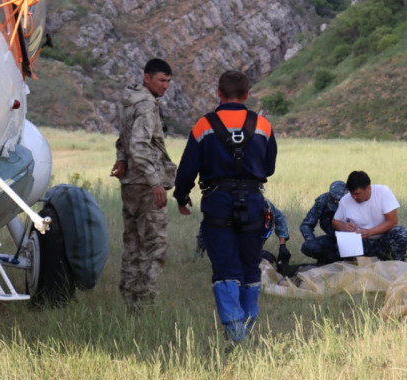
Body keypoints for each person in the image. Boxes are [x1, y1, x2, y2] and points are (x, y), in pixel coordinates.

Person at [174, 70, 277, 342]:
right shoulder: (263, 125)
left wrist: (182, 197)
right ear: (247, 94)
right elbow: (269, 167)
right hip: (254, 203)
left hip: (217, 203)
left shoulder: (203, 126)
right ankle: (248, 324)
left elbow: (186, 170)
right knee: (250, 266)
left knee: (225, 268)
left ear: (219, 93)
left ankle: (235, 331)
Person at [110, 58, 177, 313]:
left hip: (130, 183)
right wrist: (155, 182)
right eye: (161, 80)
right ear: (146, 78)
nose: (165, 86)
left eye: (169, 81)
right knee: (155, 245)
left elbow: (123, 140)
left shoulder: (130, 102)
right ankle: (146, 303)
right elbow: (138, 144)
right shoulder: (147, 106)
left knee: (133, 244)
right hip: (146, 185)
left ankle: (129, 301)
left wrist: (121, 160)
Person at [332, 170, 407, 261]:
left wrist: (369, 232)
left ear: (368, 188)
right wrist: (344, 226)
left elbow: (392, 222)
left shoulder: (383, 192)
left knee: (401, 233)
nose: (354, 197)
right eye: (352, 194)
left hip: (383, 239)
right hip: (362, 243)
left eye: (357, 194)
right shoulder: (345, 200)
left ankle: (397, 263)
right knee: (341, 243)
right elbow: (335, 222)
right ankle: (355, 265)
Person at [299, 180, 348, 265]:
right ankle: (326, 262)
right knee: (309, 246)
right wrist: (311, 241)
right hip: (333, 239)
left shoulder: (355, 201)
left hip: (350, 241)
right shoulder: (323, 201)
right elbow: (306, 225)